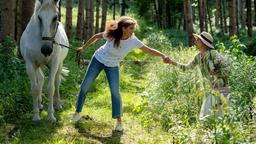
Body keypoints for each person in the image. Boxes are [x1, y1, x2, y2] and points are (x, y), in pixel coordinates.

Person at [72, 16, 170, 131]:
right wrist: (83, 48)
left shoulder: (133, 40)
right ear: (123, 28)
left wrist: (163, 55)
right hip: (98, 60)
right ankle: (77, 113)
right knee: (85, 86)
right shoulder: (112, 34)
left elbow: (148, 50)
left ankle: (119, 122)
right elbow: (96, 37)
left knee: (115, 92)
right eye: (131, 28)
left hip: (113, 66)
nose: (133, 31)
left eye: (134, 28)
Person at [167, 31, 230, 120]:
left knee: (216, 116)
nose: (195, 42)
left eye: (198, 40)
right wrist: (171, 62)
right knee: (212, 116)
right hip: (212, 89)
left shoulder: (213, 53)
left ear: (204, 43)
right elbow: (186, 68)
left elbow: (227, 68)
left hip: (222, 88)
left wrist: (218, 72)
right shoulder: (198, 57)